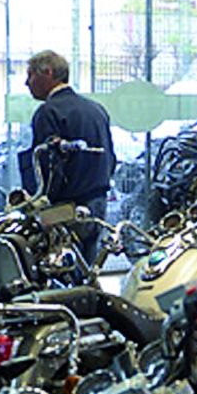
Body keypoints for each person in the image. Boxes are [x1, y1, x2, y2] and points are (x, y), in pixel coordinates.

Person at [17, 49, 116, 260]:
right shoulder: (96, 109)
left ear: (48, 73)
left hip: (65, 209)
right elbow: (110, 157)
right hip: (98, 202)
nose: (27, 83)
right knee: (88, 266)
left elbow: (47, 167)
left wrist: (39, 204)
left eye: (30, 75)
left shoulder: (48, 112)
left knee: (57, 268)